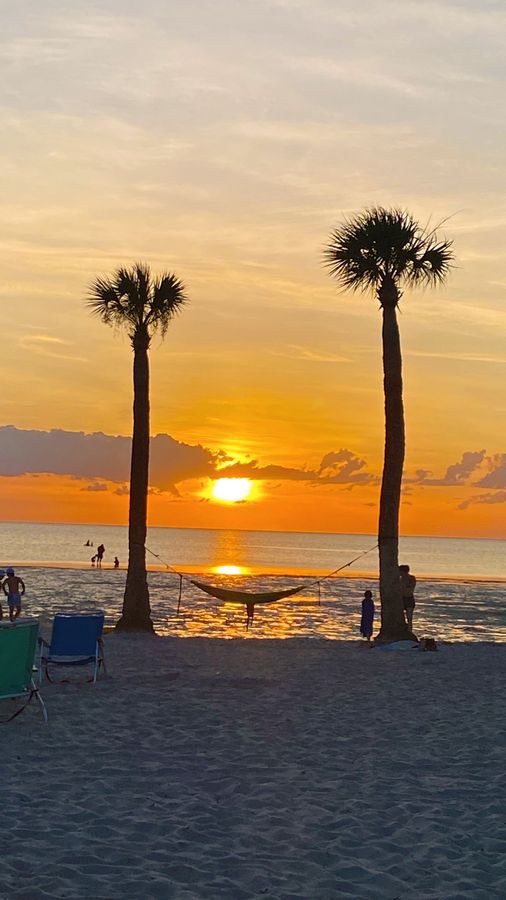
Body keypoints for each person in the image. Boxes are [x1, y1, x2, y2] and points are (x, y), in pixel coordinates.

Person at [399, 564, 417, 632]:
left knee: (409, 617)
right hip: (401, 599)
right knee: (399, 616)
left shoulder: (411, 578)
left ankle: (409, 631)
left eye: (400, 572)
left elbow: (409, 589)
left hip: (409, 599)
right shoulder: (399, 580)